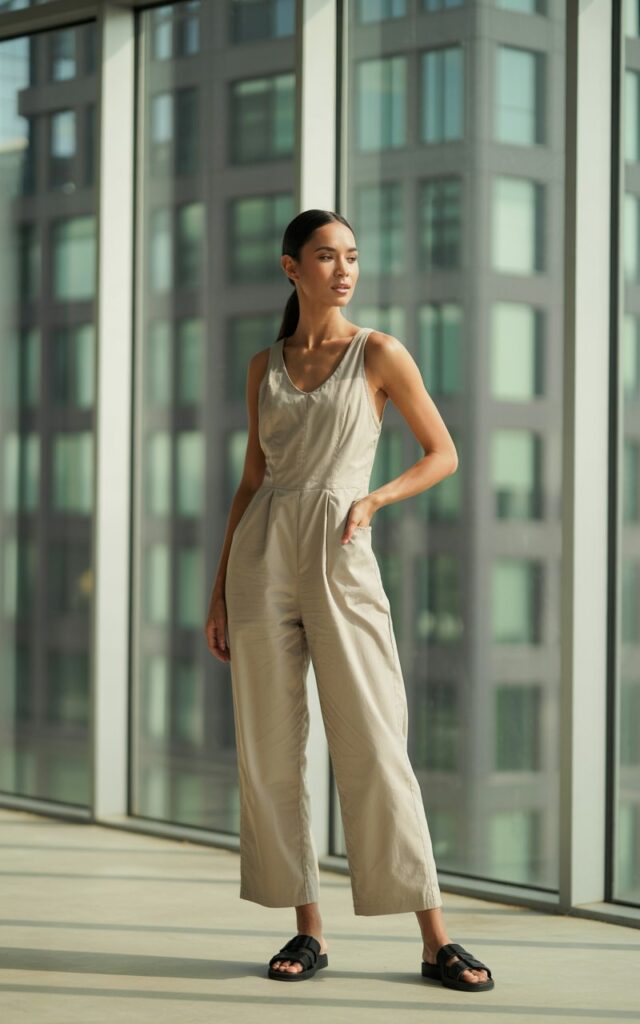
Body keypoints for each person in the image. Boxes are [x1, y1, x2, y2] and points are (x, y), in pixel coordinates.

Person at [204, 209, 495, 993]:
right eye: (327, 256)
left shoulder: (379, 353)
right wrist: (219, 592)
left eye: (353, 257)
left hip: (339, 549)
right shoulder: (263, 363)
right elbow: (252, 482)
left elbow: (444, 453)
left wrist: (374, 501)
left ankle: (435, 940)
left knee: (374, 742)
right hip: (261, 557)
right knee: (269, 749)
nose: (344, 270)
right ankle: (308, 931)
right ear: (290, 268)